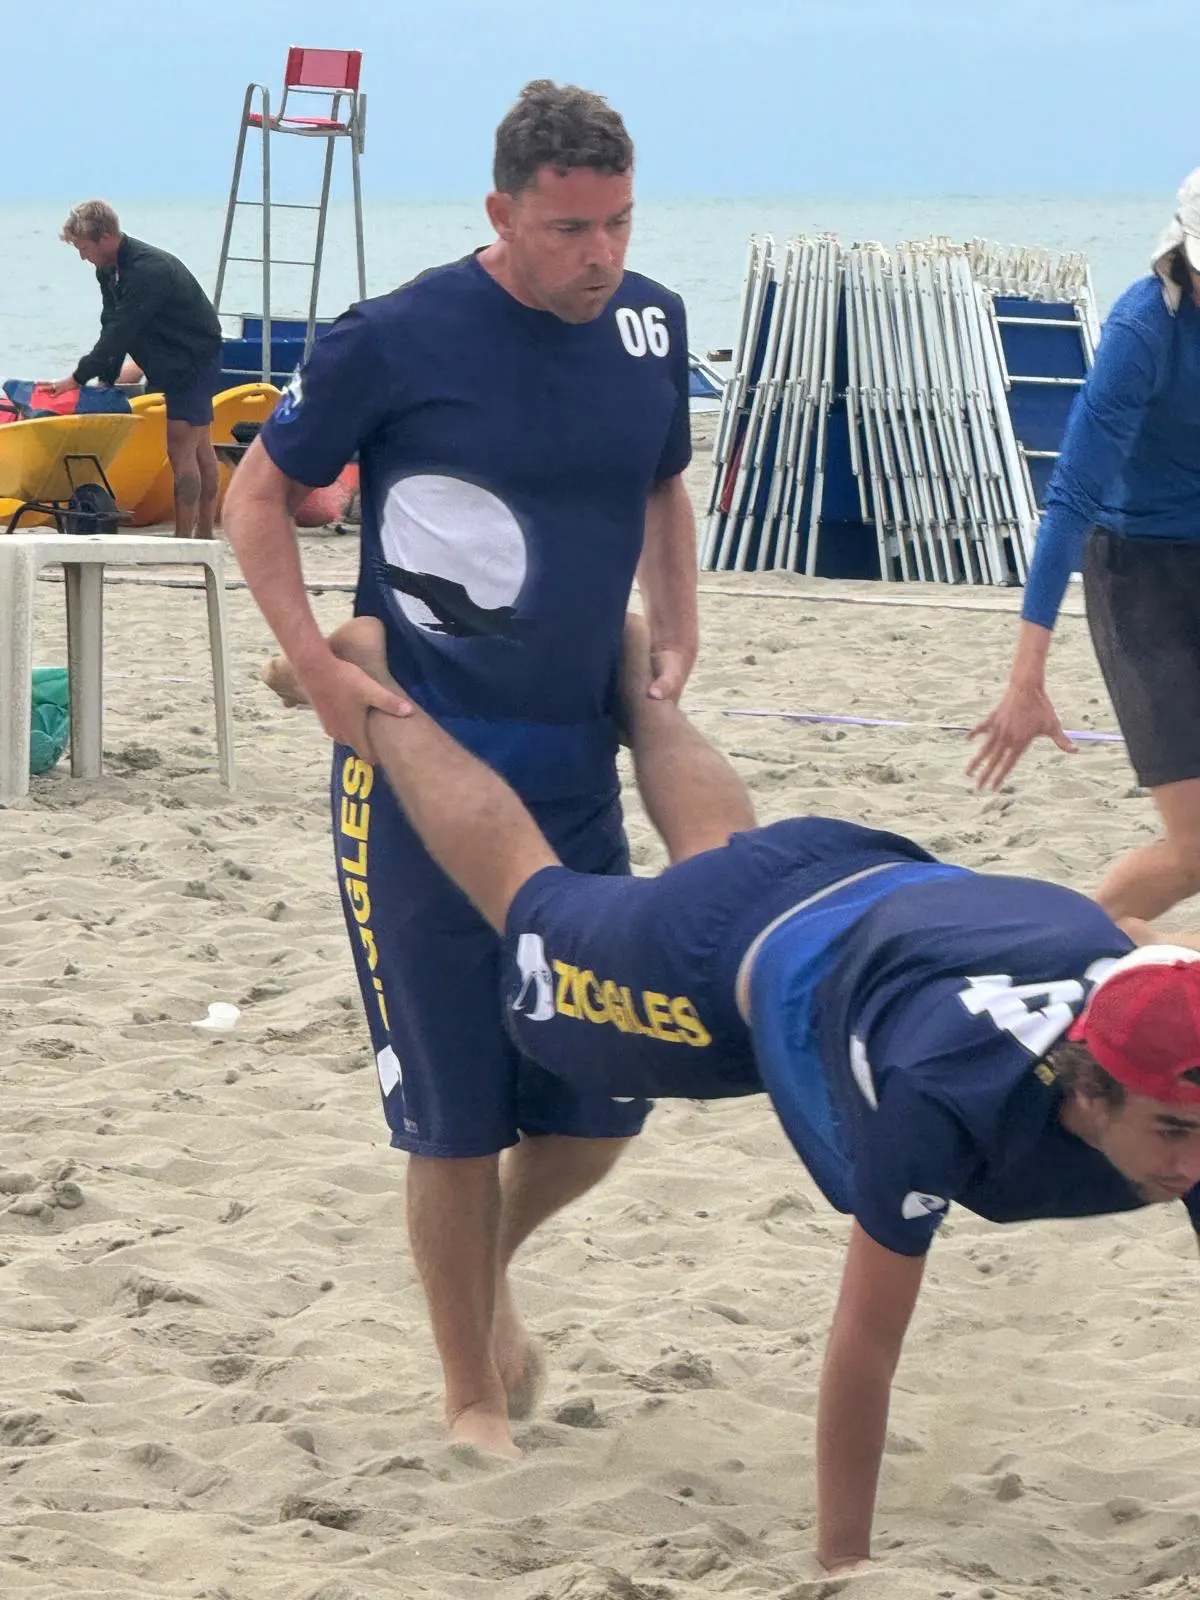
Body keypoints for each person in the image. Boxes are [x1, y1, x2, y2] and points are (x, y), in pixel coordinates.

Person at [271, 610, 1200, 1574]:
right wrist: (842, 1571)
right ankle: (376, 692)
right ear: (1092, 1090)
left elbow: (1139, 941)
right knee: (527, 894)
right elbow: (864, 1352)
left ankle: (638, 685)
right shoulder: (939, 1096)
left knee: (723, 847)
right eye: (1172, 1131)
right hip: (717, 959)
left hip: (863, 875)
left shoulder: (1159, 1042)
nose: (1190, 1162)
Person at [221, 81, 699, 1458]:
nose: (600, 256)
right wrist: (313, 664)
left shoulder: (652, 323)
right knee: (454, 1117)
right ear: (502, 212)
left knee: (603, 1105)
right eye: (569, 230)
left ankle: (481, 1273)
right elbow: (258, 494)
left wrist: (680, 617)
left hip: (572, 766)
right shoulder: (395, 335)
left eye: (619, 223)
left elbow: (661, 479)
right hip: (418, 767)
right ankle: (471, 1396)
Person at [969, 169, 1200, 923]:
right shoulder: (1144, 331)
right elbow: (1070, 500)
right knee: (1195, 851)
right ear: (1183, 256)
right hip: (1142, 577)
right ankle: (1071, 948)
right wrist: (1025, 680)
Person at [47, 200, 223, 539]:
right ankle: (203, 536)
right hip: (166, 356)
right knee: (199, 446)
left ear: (106, 237)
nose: (82, 256)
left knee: (183, 448)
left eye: (84, 248)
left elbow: (122, 329)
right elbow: (111, 323)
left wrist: (75, 379)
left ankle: (187, 539)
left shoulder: (148, 270)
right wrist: (106, 379)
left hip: (193, 357)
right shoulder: (108, 269)